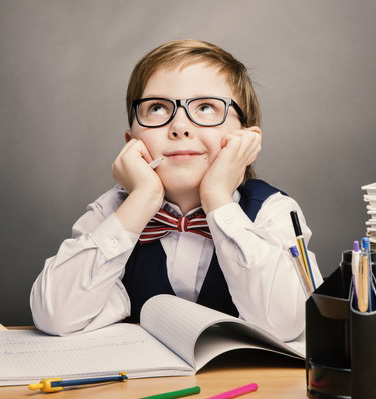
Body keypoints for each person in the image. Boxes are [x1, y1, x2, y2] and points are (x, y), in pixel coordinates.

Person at [30, 39, 321, 341]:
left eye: (206, 107)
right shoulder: (113, 213)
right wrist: (142, 199)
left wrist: (218, 199)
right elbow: (56, 315)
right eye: (157, 107)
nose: (180, 127)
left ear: (247, 139)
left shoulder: (273, 212)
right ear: (131, 140)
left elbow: (288, 323)